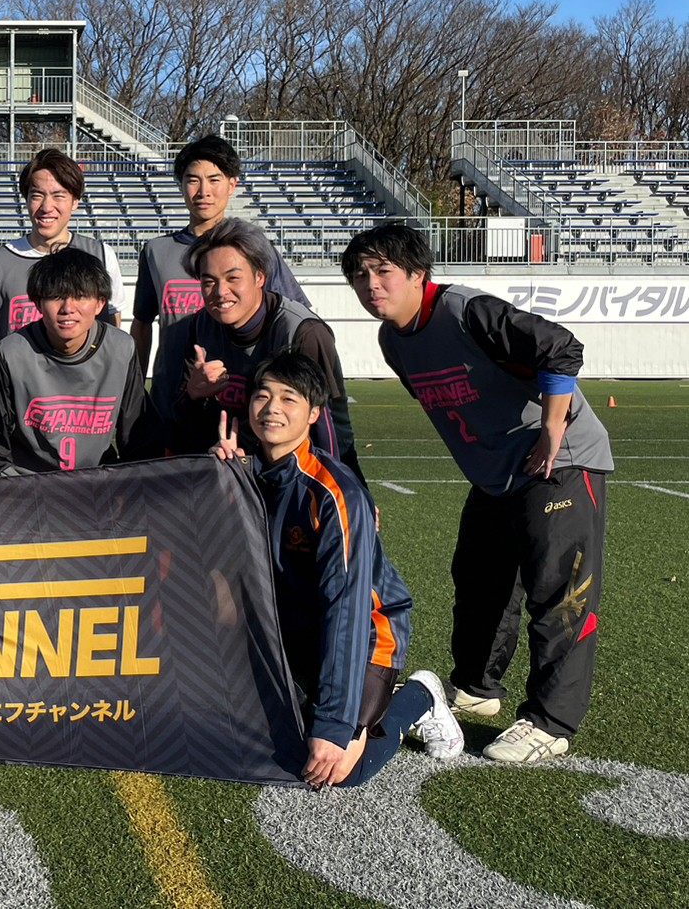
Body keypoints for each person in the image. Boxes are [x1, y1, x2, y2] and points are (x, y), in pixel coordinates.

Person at [342, 224, 613, 763]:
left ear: (418, 274)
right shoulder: (392, 340)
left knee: (559, 595)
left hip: (559, 463)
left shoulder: (466, 311)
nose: (370, 284)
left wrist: (552, 430)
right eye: (360, 275)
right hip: (498, 476)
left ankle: (550, 722)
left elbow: (561, 347)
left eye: (383, 271)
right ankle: (477, 687)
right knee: (480, 580)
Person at [213, 350, 463, 787]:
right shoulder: (244, 475)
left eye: (289, 398)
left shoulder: (334, 493)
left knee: (338, 769)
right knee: (248, 734)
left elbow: (346, 609)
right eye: (262, 395)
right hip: (291, 629)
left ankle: (418, 697)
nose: (272, 408)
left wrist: (334, 725)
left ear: (313, 414)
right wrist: (214, 475)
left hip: (365, 633)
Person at [131, 134, 309, 441]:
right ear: (180, 185)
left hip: (241, 408)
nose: (203, 191)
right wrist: (134, 387)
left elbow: (294, 317)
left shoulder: (256, 248)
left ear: (232, 184)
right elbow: (142, 323)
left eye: (214, 179)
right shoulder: (156, 252)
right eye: (192, 180)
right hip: (170, 405)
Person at [171, 218, 362, 479]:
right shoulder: (200, 325)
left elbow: (326, 429)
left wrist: (333, 486)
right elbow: (182, 418)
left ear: (260, 276)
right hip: (230, 468)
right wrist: (194, 394)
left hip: (295, 474)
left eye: (233, 278)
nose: (221, 291)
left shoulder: (302, 332)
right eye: (209, 282)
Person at [0, 247, 159, 475]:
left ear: (100, 303)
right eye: (56, 296)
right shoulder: (11, 353)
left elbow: (140, 443)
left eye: (80, 296)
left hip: (95, 485)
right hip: (28, 486)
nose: (68, 309)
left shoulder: (121, 349)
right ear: (37, 303)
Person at [0, 148, 125, 351]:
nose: (46, 207)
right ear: (26, 199)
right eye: (37, 195)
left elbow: (113, 326)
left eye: (58, 196)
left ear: (75, 202)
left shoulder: (101, 255)